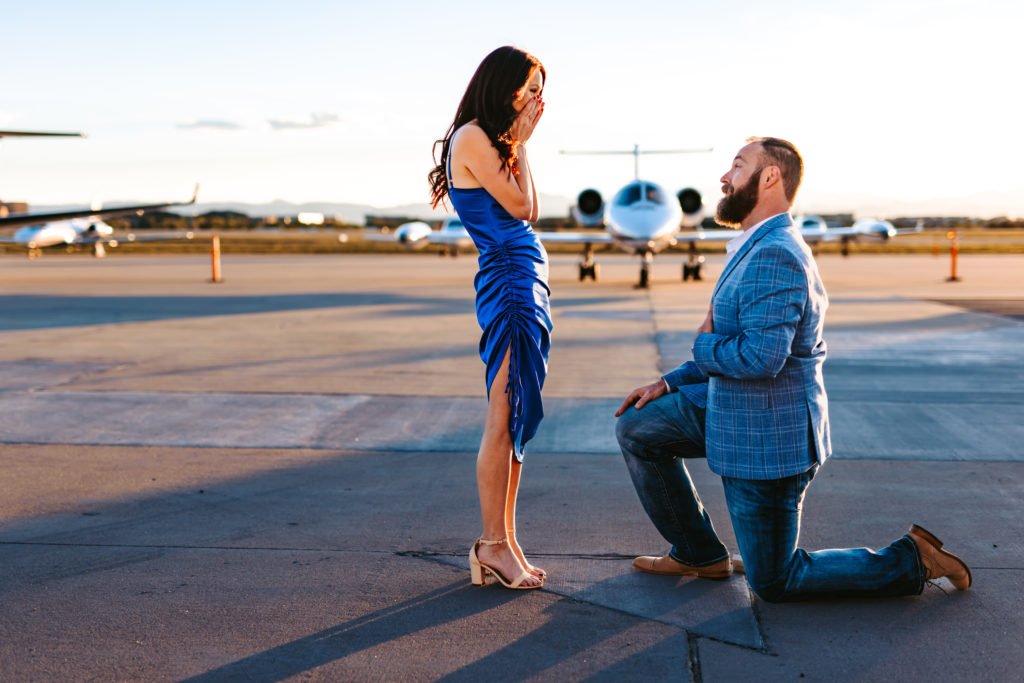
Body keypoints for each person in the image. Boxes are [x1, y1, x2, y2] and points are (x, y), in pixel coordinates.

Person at [614, 137, 971, 602]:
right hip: (737, 407)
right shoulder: (755, 243)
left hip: (768, 438)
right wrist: (668, 382)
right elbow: (737, 345)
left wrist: (702, 348)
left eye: (737, 167)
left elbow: (761, 358)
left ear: (769, 177)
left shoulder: (775, 253)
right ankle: (699, 553)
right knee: (638, 427)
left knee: (774, 582)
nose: (724, 178)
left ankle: (913, 559)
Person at [428, 46, 551, 590]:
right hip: (507, 281)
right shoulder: (474, 137)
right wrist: (522, 144)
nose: (534, 99)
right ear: (501, 84)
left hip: (524, 280)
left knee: (518, 413)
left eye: (539, 88)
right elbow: (521, 210)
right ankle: (490, 544)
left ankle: (507, 539)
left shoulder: (497, 142)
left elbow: (533, 206)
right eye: (528, 87)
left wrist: (522, 146)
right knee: (503, 414)